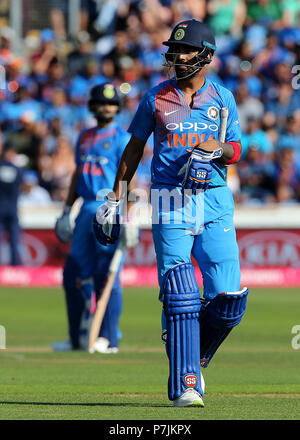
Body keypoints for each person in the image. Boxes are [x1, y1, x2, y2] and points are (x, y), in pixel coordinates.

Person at [93, 19, 248, 406]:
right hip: (169, 200)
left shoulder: (223, 99)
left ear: (206, 56)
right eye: (173, 51)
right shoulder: (156, 98)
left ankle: (193, 355)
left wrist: (215, 149)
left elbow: (236, 150)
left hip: (214, 199)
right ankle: (186, 382)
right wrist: (116, 199)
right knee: (180, 295)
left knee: (229, 300)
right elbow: (133, 150)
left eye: (185, 51)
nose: (176, 57)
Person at [53, 83, 138, 353]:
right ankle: (77, 338)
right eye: (101, 103)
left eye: (111, 104)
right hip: (86, 208)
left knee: (106, 274)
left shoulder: (123, 138)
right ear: (92, 106)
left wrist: (129, 215)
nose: (106, 108)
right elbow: (79, 175)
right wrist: (67, 210)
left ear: (118, 108)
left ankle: (108, 338)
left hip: (109, 209)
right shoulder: (85, 136)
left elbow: (128, 179)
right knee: (73, 274)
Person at [0, 142, 23, 266]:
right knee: (14, 240)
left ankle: (15, 265)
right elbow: (20, 183)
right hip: (12, 209)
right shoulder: (17, 169)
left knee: (14, 240)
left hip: (3, 208)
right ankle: (15, 267)